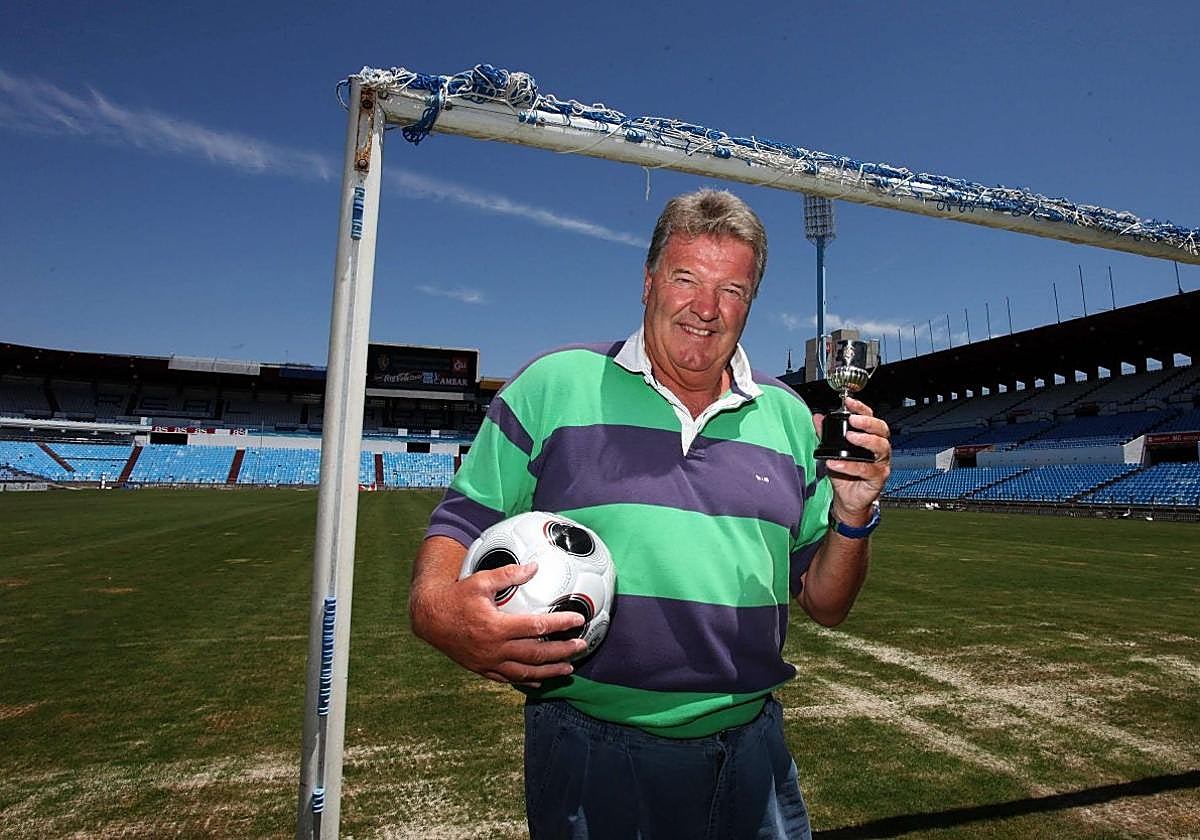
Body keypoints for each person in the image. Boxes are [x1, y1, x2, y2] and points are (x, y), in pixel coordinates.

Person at [410, 188, 891, 839]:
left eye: (732, 290)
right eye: (686, 278)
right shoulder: (555, 384)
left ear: (750, 303)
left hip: (754, 758)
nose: (706, 308)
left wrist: (854, 516)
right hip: (591, 755)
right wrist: (437, 610)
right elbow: (460, 522)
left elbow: (826, 603)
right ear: (648, 282)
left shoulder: (788, 418)